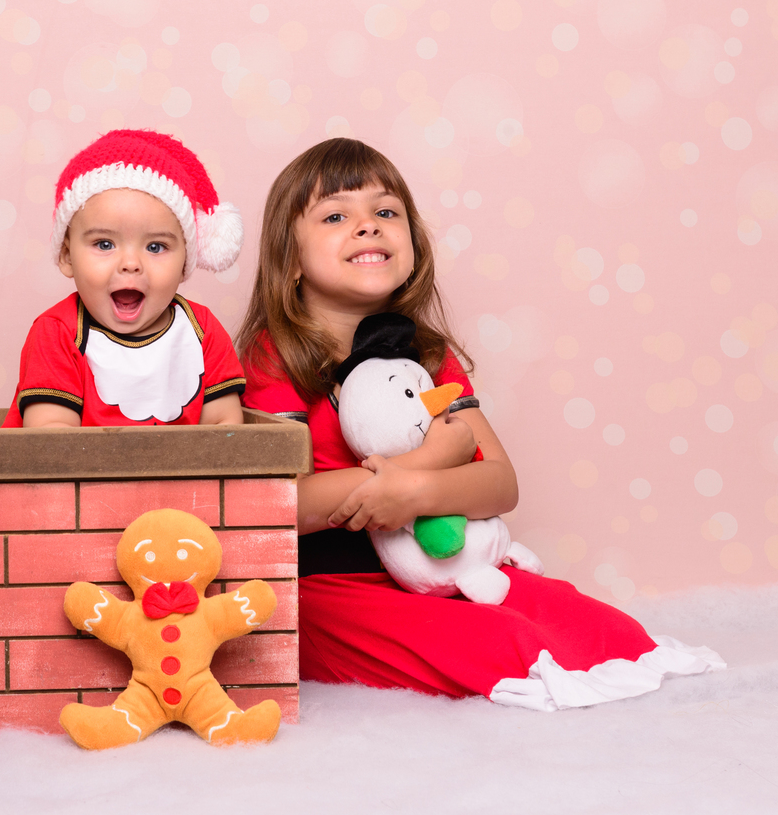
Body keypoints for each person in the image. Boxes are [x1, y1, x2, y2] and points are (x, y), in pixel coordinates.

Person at [237, 137, 723, 710]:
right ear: (291, 259)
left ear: (413, 245)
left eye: (386, 212)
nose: (368, 225)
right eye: (336, 216)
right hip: (329, 588)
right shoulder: (276, 357)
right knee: (504, 644)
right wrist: (424, 463)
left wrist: (414, 492)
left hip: (444, 565)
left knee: (604, 629)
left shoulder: (427, 356)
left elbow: (499, 483)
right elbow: (282, 505)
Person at [4, 129, 246, 428]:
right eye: (104, 244)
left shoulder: (202, 330)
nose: (131, 264)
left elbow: (225, 431)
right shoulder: (58, 333)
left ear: (186, 261)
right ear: (66, 256)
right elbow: (52, 439)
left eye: (155, 247)